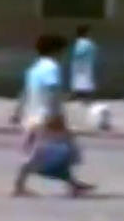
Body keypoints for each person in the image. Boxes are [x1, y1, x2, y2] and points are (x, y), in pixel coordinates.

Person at [11, 34, 94, 198]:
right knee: (49, 152)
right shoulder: (51, 68)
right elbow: (52, 92)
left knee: (57, 150)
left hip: (32, 116)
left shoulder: (34, 68)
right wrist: (55, 117)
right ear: (56, 50)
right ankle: (19, 186)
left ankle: (72, 185)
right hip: (47, 117)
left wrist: (17, 112)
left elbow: (25, 93)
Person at [68, 25, 98, 104]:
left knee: (79, 78)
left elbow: (75, 53)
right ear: (85, 33)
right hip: (85, 63)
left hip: (79, 63)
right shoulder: (87, 43)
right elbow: (93, 51)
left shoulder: (78, 42)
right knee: (85, 78)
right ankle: (85, 95)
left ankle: (80, 95)